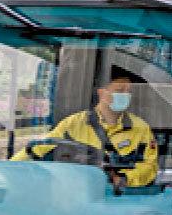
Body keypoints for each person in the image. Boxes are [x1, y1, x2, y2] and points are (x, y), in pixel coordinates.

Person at [14, 72, 158, 187]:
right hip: (80, 198)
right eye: (120, 91)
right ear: (102, 93)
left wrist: (123, 179)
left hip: (120, 200)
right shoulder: (74, 124)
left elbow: (150, 167)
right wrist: (8, 169)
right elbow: (37, 150)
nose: (126, 96)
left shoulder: (140, 128)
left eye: (129, 91)